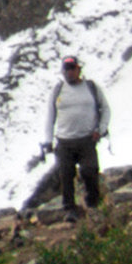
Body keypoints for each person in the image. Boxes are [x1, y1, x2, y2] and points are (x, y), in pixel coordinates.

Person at [45, 55, 109, 216]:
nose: (69, 73)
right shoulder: (58, 89)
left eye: (72, 69)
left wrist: (100, 130)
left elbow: (105, 109)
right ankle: (70, 209)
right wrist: (48, 140)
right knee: (66, 174)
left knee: (90, 170)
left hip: (87, 139)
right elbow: (50, 116)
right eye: (66, 69)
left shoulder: (91, 87)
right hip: (64, 141)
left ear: (79, 69)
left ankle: (93, 202)